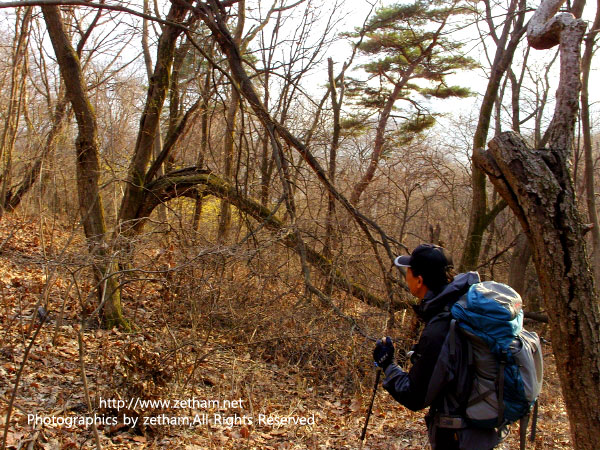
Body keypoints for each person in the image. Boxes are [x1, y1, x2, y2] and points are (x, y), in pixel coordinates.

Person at [373, 244, 500, 450]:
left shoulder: (442, 326)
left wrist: (388, 365)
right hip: (477, 432)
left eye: (409, 273)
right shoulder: (460, 307)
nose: (406, 277)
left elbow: (415, 396)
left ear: (420, 280)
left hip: (458, 438)